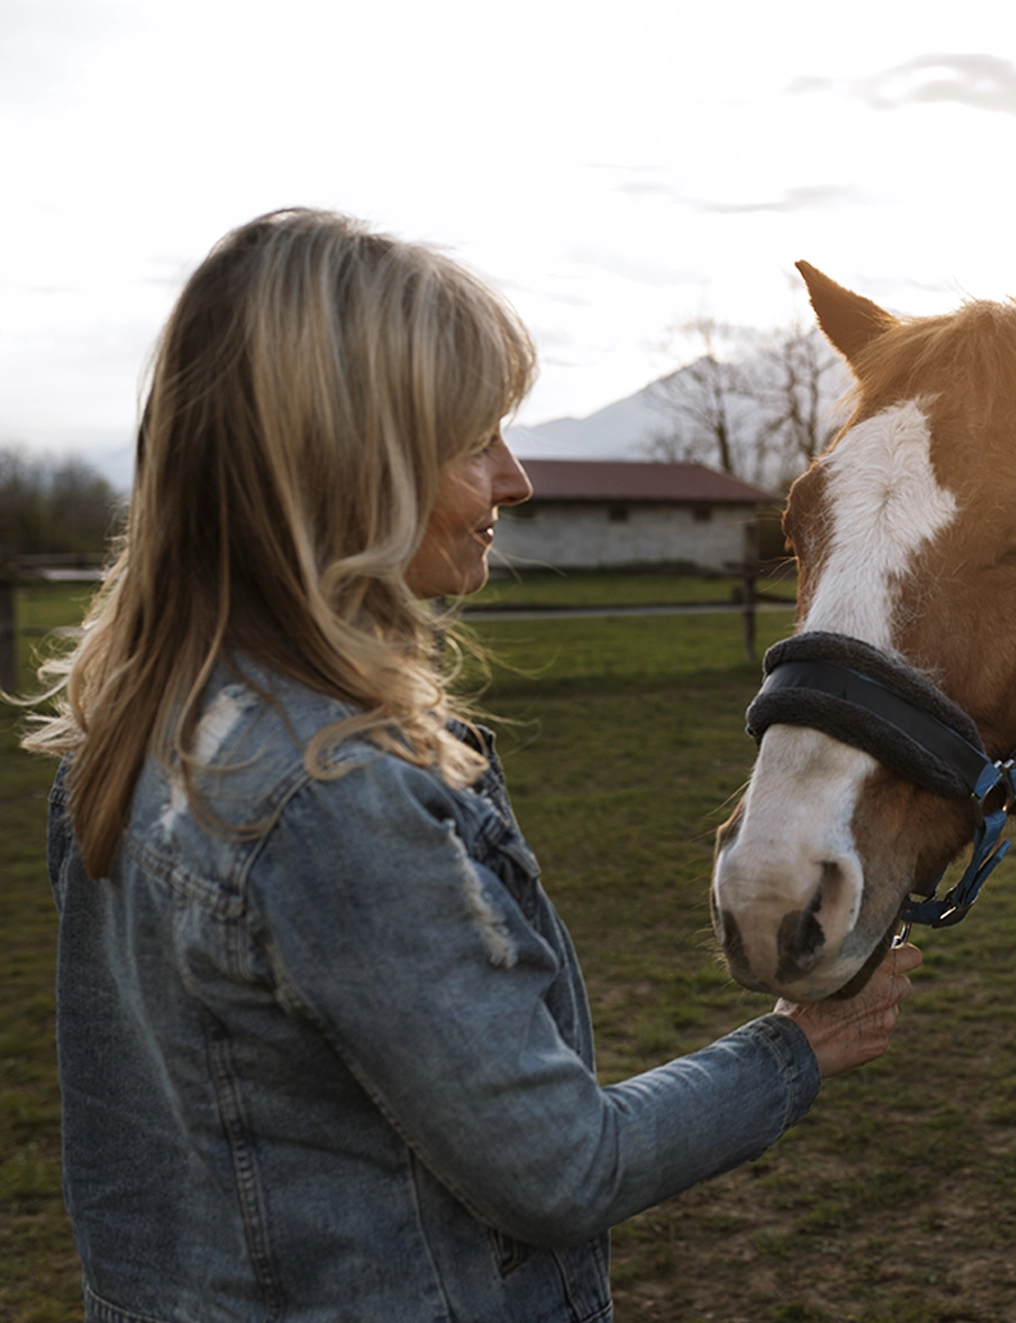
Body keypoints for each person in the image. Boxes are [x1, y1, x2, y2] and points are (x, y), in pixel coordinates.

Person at [24, 208, 920, 1322]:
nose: (515, 479)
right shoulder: (329, 797)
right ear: (349, 467)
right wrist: (797, 1054)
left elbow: (127, 1160)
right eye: (473, 443)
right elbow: (559, 1169)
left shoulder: (130, 742)